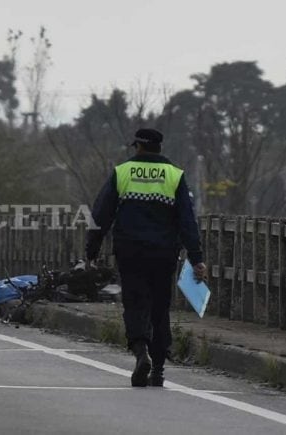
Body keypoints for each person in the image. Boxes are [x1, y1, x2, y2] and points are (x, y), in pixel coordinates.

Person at [85, 128, 207, 388]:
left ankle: (141, 352)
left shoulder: (123, 172)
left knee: (135, 302)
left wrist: (91, 250)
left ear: (139, 146)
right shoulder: (175, 175)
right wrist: (196, 257)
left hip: (130, 251)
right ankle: (159, 368)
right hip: (164, 253)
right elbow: (187, 220)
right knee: (160, 308)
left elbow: (101, 213)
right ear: (159, 148)